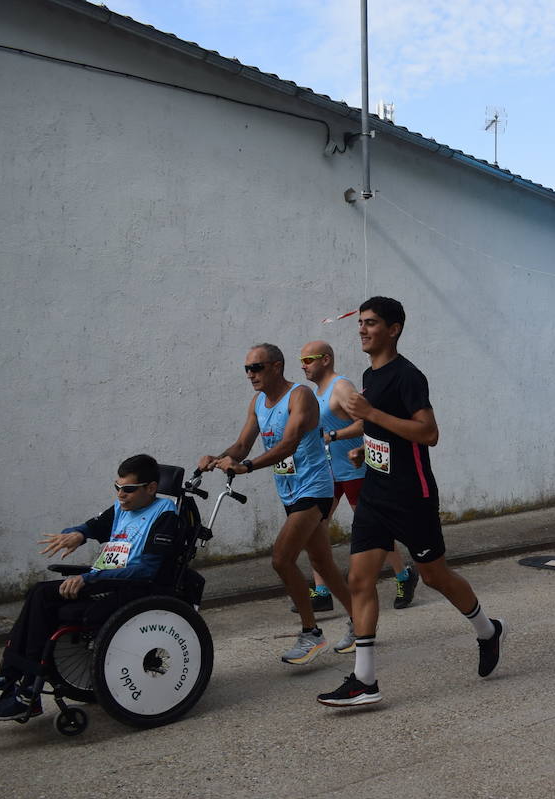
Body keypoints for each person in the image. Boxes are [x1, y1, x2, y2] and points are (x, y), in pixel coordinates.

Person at [316, 297, 504, 707]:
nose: (362, 329)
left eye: (371, 323)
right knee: (360, 579)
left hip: (411, 496)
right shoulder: (370, 374)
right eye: (360, 323)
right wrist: (365, 447)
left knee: (435, 576)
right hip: (375, 493)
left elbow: (428, 432)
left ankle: (488, 630)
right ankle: (365, 681)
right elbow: (377, 422)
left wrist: (373, 418)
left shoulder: (408, 376)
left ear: (394, 329)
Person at [0, 454, 181, 720]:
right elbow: (94, 526)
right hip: (103, 580)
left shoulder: (164, 516)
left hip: (130, 586)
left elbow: (147, 569)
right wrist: (77, 534)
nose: (121, 495)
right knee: (38, 595)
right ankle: (8, 678)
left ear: (151, 488)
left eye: (128, 489)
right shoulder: (123, 508)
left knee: (42, 596)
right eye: (117, 487)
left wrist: (88, 579)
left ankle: (25, 687)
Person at [199, 344, 354, 664]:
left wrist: (249, 467)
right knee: (323, 563)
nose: (250, 375)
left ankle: (311, 633)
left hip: (315, 488)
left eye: (256, 367)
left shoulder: (300, 397)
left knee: (282, 559)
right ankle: (362, 621)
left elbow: (290, 442)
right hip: (290, 491)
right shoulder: (258, 402)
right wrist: (219, 458)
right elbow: (242, 445)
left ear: (276, 367)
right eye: (246, 369)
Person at [299, 341, 419, 654]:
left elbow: (366, 421)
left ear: (326, 359)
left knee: (376, 530)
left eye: (308, 359)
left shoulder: (342, 387)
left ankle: (404, 575)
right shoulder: (314, 393)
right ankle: (322, 590)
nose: (303, 365)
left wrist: (337, 436)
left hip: (354, 471)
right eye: (301, 360)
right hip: (328, 473)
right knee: (316, 528)